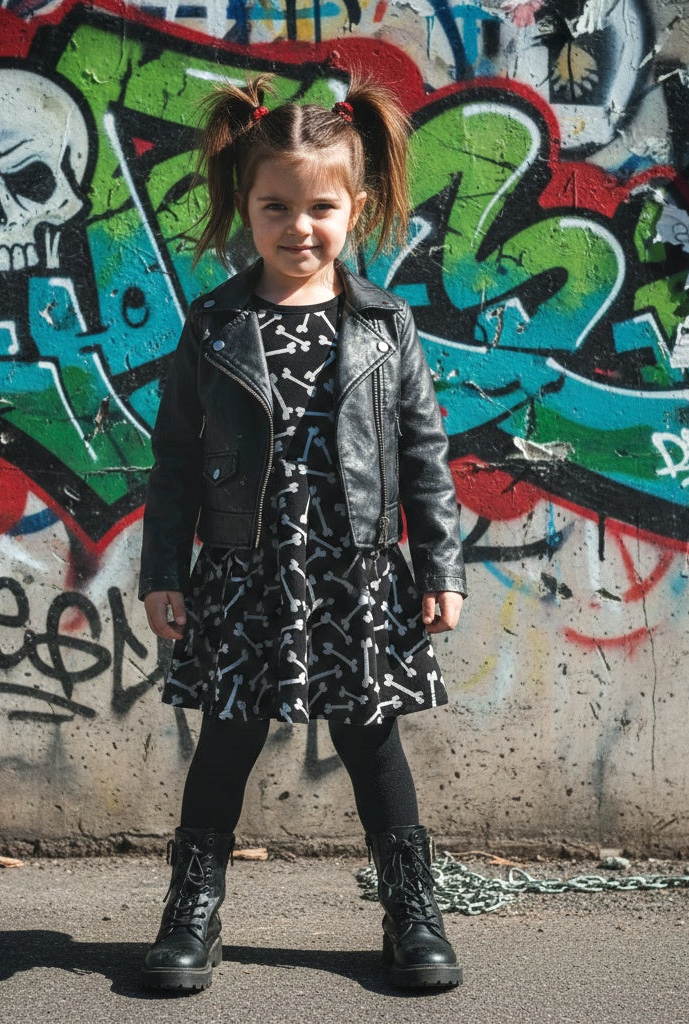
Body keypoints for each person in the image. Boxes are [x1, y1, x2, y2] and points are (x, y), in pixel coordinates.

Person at [138, 72, 467, 993]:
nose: (298, 228)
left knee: (373, 742)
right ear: (245, 207)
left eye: (320, 207)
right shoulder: (215, 325)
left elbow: (423, 459)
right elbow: (172, 462)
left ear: (355, 209)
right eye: (275, 207)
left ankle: (413, 912)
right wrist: (164, 567)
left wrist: (441, 566)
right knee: (228, 741)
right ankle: (190, 914)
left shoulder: (386, 326)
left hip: (356, 572)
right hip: (246, 571)